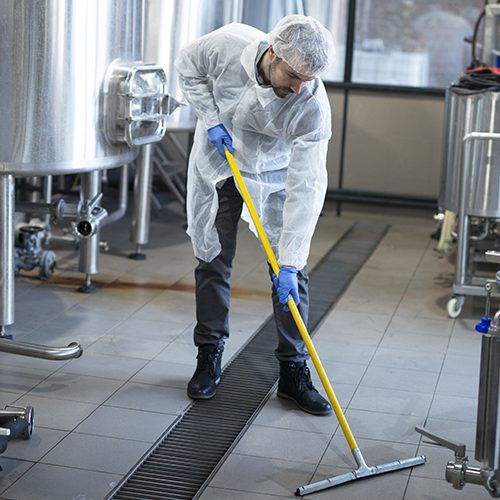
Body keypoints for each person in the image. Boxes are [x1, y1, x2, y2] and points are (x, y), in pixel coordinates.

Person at [175, 15, 333, 416]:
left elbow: (307, 187)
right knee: (212, 259)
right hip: (221, 162)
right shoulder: (226, 45)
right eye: (294, 75)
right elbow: (188, 67)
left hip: (276, 176)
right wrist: (211, 120)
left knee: (291, 275)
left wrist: (291, 259)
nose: (298, 87)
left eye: (307, 79)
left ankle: (294, 374)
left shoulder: (311, 103)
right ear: (273, 52)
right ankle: (208, 357)